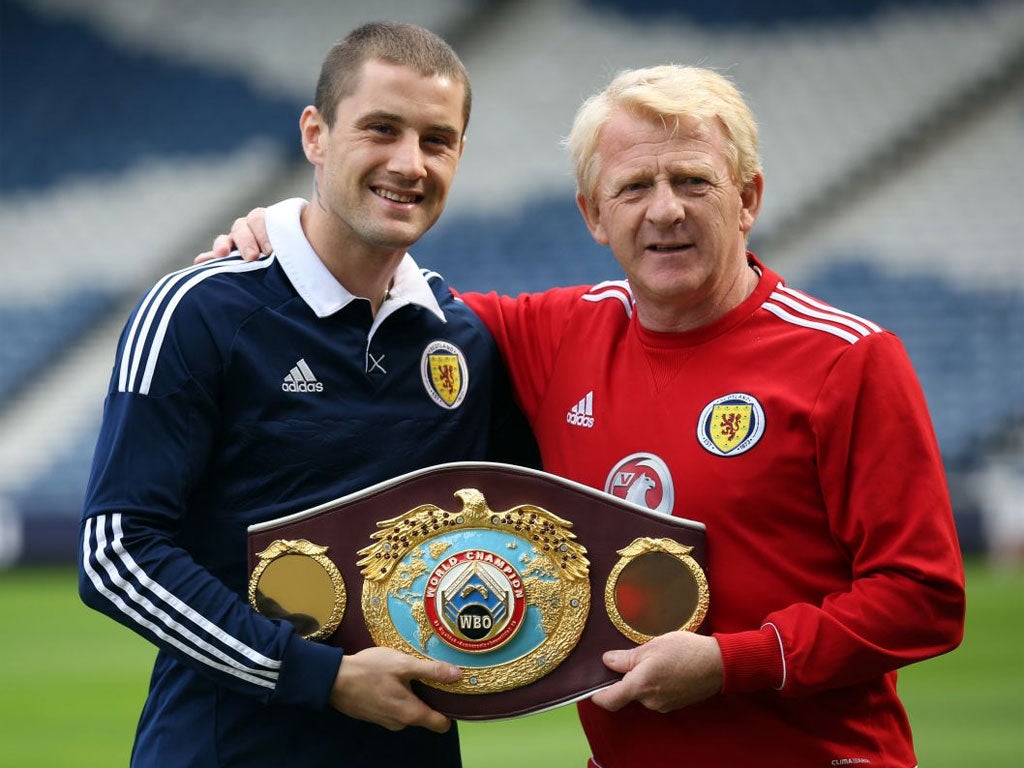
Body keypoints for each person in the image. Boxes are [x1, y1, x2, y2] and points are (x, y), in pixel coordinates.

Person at [205, 65, 966, 766]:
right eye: (633, 187)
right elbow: (385, 290)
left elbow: (924, 598)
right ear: (593, 215)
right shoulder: (553, 333)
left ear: (748, 199)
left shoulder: (849, 359)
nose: (664, 210)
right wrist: (288, 231)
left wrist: (736, 662)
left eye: (693, 181)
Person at [79, 22, 538, 768]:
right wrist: (321, 679)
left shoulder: (467, 340)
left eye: (437, 139)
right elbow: (117, 554)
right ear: (316, 136)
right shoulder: (201, 310)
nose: (409, 163)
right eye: (381, 129)